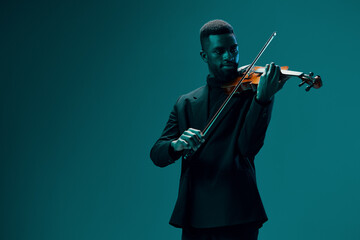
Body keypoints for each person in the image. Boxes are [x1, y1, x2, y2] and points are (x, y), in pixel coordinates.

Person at [150, 19, 287, 240]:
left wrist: (263, 99)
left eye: (233, 49)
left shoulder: (253, 93)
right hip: (195, 213)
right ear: (205, 56)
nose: (229, 57)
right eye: (219, 51)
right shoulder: (186, 103)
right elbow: (157, 153)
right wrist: (176, 145)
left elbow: (247, 148)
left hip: (237, 212)